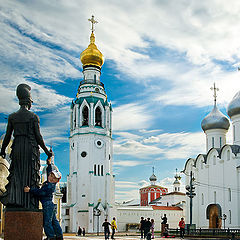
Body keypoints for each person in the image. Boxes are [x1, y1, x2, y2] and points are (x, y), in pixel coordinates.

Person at [0, 83, 52, 209]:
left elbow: (7, 136)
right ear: (29, 101)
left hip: (17, 147)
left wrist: (2, 150)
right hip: (30, 148)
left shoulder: (13, 117)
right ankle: (29, 203)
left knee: (17, 175)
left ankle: (15, 200)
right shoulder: (33, 117)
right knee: (30, 176)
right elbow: (38, 137)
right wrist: (46, 151)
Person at [24, 154, 63, 240]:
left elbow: (41, 192)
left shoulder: (50, 186)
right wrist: (49, 164)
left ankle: (51, 237)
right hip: (50, 205)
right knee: (54, 221)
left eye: (54, 178)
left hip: (47, 205)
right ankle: (59, 236)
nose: (51, 178)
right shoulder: (49, 182)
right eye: (51, 176)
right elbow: (49, 171)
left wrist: (30, 190)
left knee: (47, 222)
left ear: (57, 181)